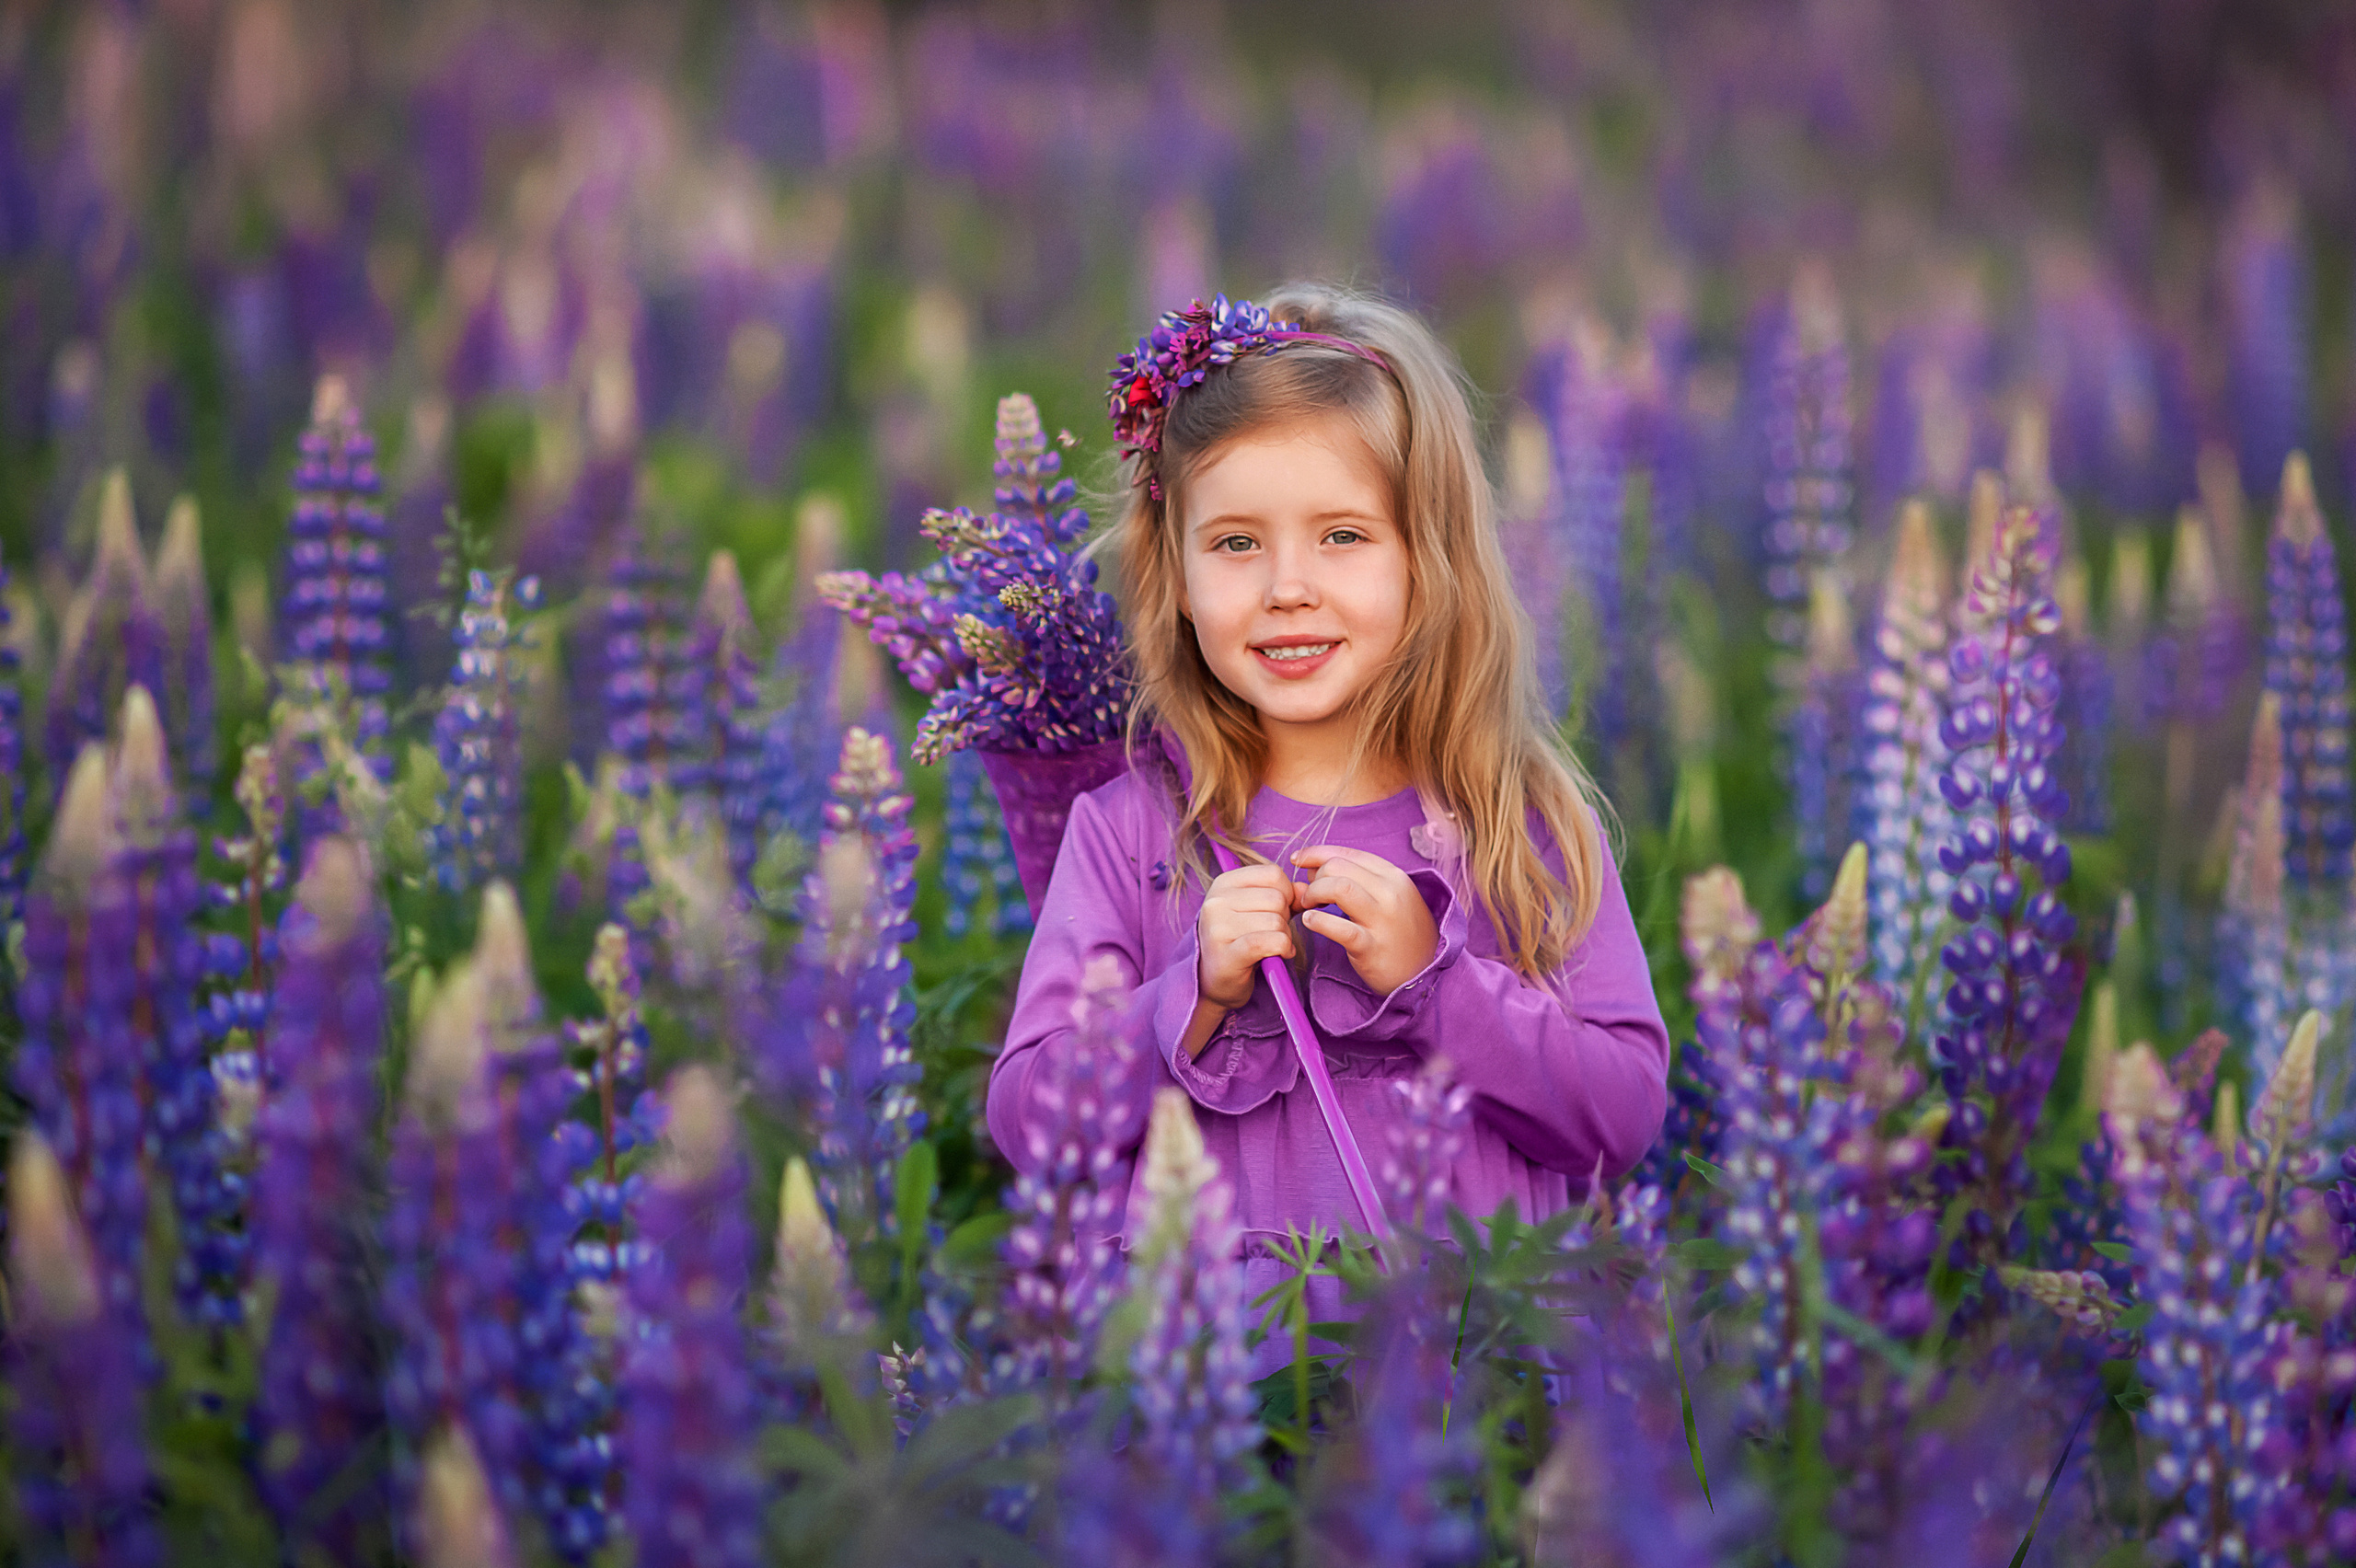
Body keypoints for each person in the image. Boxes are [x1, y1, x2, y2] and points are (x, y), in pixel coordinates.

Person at [984, 283, 1669, 1361]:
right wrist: (1186, 1001)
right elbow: (1030, 1122)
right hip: (1208, 1389)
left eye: (1343, 535)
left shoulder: (1519, 822)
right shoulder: (1129, 834)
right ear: (1174, 576)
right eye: (1236, 544)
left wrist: (1439, 987)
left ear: (1428, 558)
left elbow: (1621, 1114)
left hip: (1474, 1375)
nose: (1287, 588)